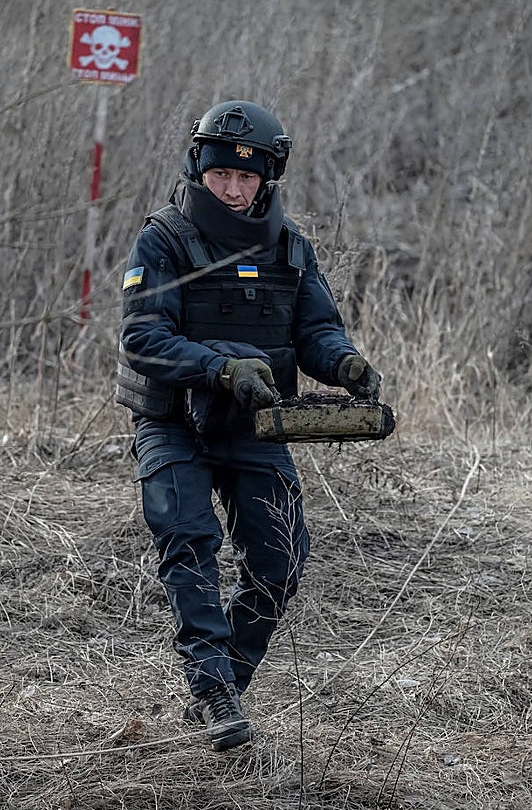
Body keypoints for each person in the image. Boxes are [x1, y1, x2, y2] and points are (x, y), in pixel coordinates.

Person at [115, 100, 382, 751]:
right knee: (189, 539)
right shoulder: (164, 239)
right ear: (199, 169)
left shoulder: (290, 249)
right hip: (173, 423)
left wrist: (342, 363)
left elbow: (314, 329)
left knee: (281, 558)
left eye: (247, 177)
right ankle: (209, 687)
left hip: (252, 428)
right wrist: (220, 369)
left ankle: (224, 682)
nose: (233, 189)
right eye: (220, 176)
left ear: (267, 177)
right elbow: (142, 338)